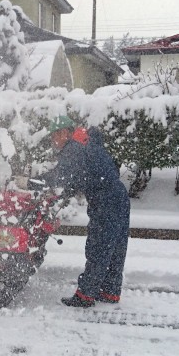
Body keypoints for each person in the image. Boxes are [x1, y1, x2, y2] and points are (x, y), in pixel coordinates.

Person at [30, 115, 131, 308]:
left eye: (54, 137)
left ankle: (86, 295)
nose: (53, 142)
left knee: (99, 246)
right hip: (118, 195)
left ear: (64, 132)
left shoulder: (74, 148)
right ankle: (110, 291)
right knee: (116, 247)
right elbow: (80, 177)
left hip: (105, 200)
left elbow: (61, 178)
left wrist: (30, 182)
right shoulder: (86, 143)